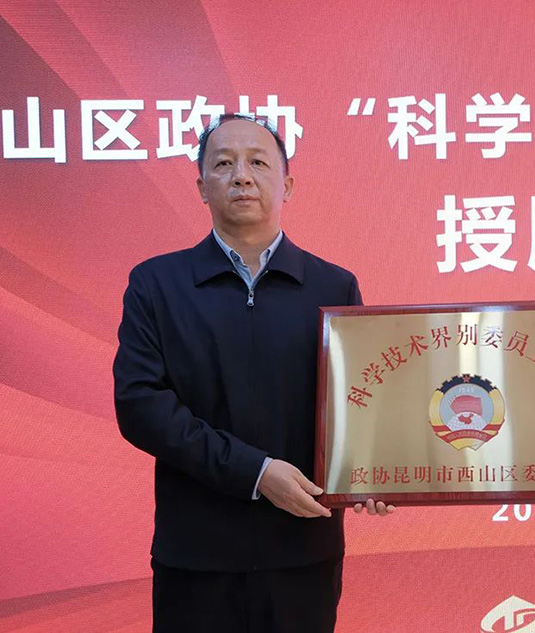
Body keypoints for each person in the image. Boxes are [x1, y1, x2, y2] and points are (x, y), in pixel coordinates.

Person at [113, 114, 391, 633]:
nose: (241, 175)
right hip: (196, 558)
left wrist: (371, 472)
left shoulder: (333, 287)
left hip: (303, 553)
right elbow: (141, 407)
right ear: (202, 188)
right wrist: (256, 473)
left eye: (258, 162)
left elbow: (361, 405)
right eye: (223, 164)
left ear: (287, 185)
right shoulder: (156, 284)